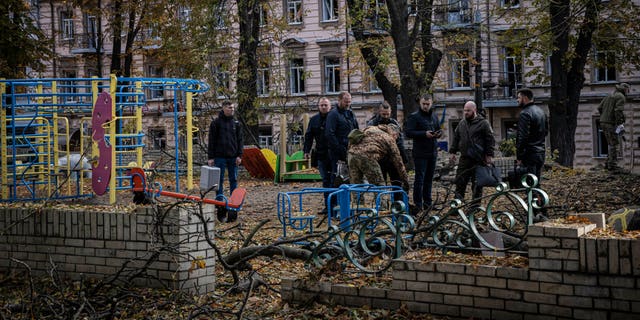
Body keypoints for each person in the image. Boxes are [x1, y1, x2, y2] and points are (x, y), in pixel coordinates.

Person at [449, 101, 495, 202]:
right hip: (464, 158)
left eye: (468, 111)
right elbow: (456, 138)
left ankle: (475, 206)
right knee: (460, 181)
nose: (465, 112)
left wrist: (489, 155)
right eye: (465, 110)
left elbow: (490, 140)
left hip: (478, 158)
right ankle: (457, 204)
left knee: (477, 184)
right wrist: (452, 152)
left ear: (474, 110)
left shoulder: (483, 123)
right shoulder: (462, 123)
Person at [405, 94, 441, 210]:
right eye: (423, 104)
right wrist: (424, 134)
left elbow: (438, 128)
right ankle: (418, 204)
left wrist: (438, 133)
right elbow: (408, 132)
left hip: (432, 151)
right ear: (420, 103)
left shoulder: (434, 116)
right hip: (420, 153)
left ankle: (427, 203)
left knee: (429, 179)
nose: (425, 106)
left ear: (431, 103)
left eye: (427, 104)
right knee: (419, 179)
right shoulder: (414, 117)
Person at [347, 124, 409, 191]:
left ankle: (357, 201)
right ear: (395, 133)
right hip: (368, 157)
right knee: (379, 186)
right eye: (396, 136)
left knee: (356, 187)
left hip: (351, 155)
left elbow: (353, 138)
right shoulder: (389, 138)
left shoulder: (369, 128)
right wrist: (405, 182)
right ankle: (382, 201)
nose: (396, 138)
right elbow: (399, 163)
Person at [208, 100, 243, 197]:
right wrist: (211, 157)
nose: (232, 110)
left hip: (233, 156)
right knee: (219, 179)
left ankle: (233, 200)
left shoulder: (236, 124)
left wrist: (239, 155)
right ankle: (219, 201)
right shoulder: (216, 123)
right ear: (223, 108)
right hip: (219, 157)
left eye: (233, 108)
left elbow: (240, 140)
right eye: (229, 108)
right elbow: (211, 141)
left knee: (234, 179)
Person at [303, 97, 332, 214]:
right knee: (325, 180)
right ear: (318, 106)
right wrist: (306, 151)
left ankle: (337, 205)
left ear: (330, 106)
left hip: (335, 154)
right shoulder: (314, 120)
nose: (324, 107)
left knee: (336, 180)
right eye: (322, 105)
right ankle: (328, 206)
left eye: (326, 105)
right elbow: (309, 136)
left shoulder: (334, 118)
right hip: (321, 154)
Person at [325, 91, 359, 186]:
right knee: (337, 176)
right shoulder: (333, 114)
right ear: (339, 100)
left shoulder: (350, 113)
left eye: (349, 101)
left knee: (348, 177)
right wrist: (339, 148)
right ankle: (334, 200)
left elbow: (356, 129)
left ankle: (345, 199)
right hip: (337, 151)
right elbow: (329, 133)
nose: (348, 104)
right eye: (346, 101)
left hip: (350, 149)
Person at [516, 88, 548, 182]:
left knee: (529, 184)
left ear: (525, 98)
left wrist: (519, 156)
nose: (517, 100)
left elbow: (522, 137)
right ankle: (537, 197)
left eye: (518, 97)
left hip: (529, 155)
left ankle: (533, 196)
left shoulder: (525, 114)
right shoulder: (541, 112)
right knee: (537, 183)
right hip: (540, 153)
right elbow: (545, 132)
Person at [597, 83, 630, 173]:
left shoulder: (609, 95)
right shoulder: (620, 97)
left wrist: (604, 116)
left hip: (603, 122)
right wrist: (620, 123)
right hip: (610, 123)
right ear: (625, 89)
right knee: (614, 144)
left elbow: (599, 107)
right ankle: (613, 165)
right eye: (628, 90)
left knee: (611, 143)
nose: (628, 92)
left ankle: (608, 164)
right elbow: (618, 111)